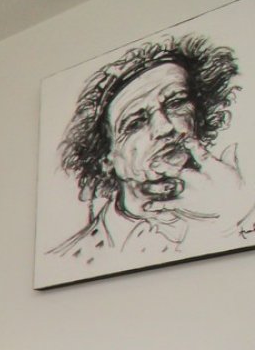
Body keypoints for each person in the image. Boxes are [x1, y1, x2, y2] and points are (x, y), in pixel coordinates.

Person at [49, 34, 254, 265]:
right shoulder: (68, 259)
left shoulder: (243, 213)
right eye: (136, 123)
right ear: (105, 158)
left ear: (199, 114)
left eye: (176, 103)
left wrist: (233, 218)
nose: (165, 127)